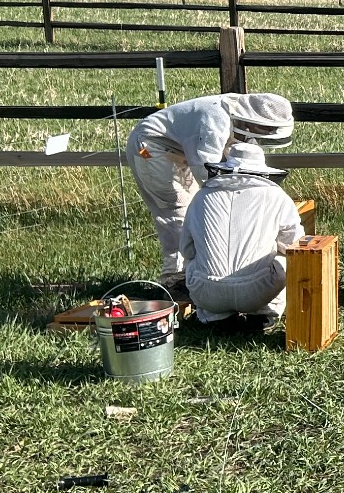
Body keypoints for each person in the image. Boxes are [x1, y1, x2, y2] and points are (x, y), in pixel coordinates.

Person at [126, 92, 294, 282]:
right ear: (253, 122)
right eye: (267, 129)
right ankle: (175, 279)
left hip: (178, 147)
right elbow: (208, 173)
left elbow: (232, 164)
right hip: (149, 147)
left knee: (198, 208)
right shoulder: (215, 121)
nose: (269, 134)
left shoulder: (237, 115)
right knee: (176, 209)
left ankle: (196, 272)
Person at [179, 142, 306, 325]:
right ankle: (263, 315)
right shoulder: (277, 197)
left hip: (206, 292)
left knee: (192, 261)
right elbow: (294, 245)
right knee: (284, 259)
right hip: (258, 292)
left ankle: (215, 316)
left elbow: (186, 249)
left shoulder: (201, 196)